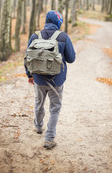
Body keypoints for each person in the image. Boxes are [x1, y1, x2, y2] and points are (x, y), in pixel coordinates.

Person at [25, 10, 76, 149]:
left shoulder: (35, 35)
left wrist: (29, 75)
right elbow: (71, 59)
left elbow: (27, 58)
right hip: (57, 80)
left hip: (38, 79)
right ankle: (49, 139)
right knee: (55, 108)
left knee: (38, 103)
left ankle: (38, 126)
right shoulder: (64, 37)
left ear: (47, 20)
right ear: (59, 21)